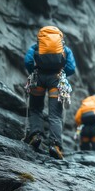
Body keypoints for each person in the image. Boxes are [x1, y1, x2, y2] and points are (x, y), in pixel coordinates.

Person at [24, 25, 76, 160]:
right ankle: (55, 145)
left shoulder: (36, 46)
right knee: (55, 115)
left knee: (35, 109)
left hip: (38, 78)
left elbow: (28, 61)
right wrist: (61, 72)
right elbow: (71, 67)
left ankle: (35, 136)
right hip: (57, 80)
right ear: (59, 38)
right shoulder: (65, 49)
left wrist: (33, 71)